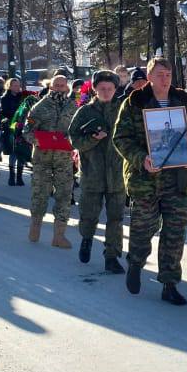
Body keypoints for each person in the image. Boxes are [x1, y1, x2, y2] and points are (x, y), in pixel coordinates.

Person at [113, 57, 187, 305]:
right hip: (146, 179)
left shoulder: (183, 103)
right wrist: (140, 158)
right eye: (159, 74)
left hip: (178, 179)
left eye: (168, 74)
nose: (164, 79)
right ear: (150, 76)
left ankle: (169, 282)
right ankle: (135, 262)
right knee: (144, 228)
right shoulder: (135, 103)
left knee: (175, 232)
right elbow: (120, 138)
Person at [69, 70, 126, 272]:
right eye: (102, 88)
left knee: (116, 219)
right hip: (92, 173)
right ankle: (86, 239)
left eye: (110, 88)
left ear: (115, 89)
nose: (106, 92)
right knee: (89, 214)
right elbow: (73, 139)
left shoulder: (122, 109)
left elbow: (133, 136)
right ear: (94, 89)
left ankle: (112, 256)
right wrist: (92, 139)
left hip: (117, 175)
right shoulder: (84, 112)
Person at [24, 73, 76, 247]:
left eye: (62, 86)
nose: (60, 88)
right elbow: (27, 131)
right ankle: (35, 226)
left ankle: (59, 235)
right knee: (40, 194)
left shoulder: (72, 107)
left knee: (64, 196)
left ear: (67, 87)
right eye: (56, 85)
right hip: (42, 158)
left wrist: (72, 141)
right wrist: (38, 140)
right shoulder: (39, 107)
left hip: (64, 160)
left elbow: (77, 130)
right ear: (50, 86)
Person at [0, 77, 30, 185]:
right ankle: (12, 176)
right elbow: (4, 112)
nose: (17, 88)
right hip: (11, 126)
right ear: (9, 86)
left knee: (21, 150)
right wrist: (14, 118)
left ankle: (19, 176)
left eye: (18, 85)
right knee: (13, 151)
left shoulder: (23, 97)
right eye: (15, 85)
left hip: (21, 127)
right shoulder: (4, 98)